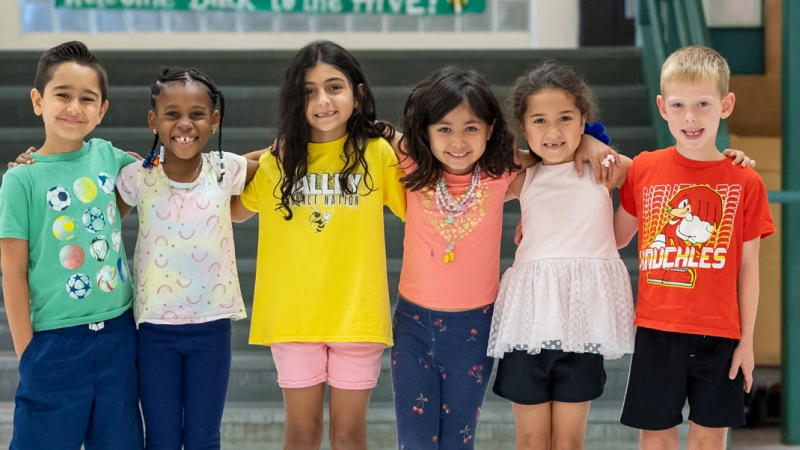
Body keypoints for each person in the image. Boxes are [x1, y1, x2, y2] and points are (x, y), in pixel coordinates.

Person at [388, 65, 616, 449]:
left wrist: (590, 141)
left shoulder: (500, 171)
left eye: (471, 128)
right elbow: (365, 132)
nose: (458, 141)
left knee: (461, 437)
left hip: (475, 326)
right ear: (425, 131)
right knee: (414, 441)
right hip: (413, 324)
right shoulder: (410, 164)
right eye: (444, 128)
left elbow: (551, 159)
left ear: (492, 129)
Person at [229, 40, 406, 450]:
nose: (322, 100)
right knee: (301, 434)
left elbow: (419, 208)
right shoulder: (280, 160)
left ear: (358, 93)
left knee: (349, 436)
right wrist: (267, 152)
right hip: (292, 317)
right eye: (308, 91)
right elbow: (235, 209)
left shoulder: (377, 153)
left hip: (357, 315)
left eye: (334, 86)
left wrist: (396, 137)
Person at [613, 45, 775, 450]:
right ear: (661, 107)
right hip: (656, 330)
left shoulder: (746, 181)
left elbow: (749, 268)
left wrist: (748, 342)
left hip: (721, 333)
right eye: (679, 104)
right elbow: (615, 238)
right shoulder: (643, 169)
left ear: (726, 104)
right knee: (656, 438)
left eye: (703, 103)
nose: (690, 117)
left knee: (709, 439)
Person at [0, 41, 143, 450]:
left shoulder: (107, 156)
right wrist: (28, 352)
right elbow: (12, 272)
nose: (74, 108)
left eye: (87, 99)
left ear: (102, 111)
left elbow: (134, 188)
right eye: (62, 95)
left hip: (118, 336)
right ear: (37, 101)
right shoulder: (20, 180)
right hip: (54, 344)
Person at [485, 61, 635, 450]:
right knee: (532, 440)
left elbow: (650, 178)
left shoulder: (602, 167)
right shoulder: (523, 176)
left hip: (583, 322)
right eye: (539, 121)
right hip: (530, 321)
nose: (553, 131)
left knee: (569, 442)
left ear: (583, 118)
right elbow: (471, 169)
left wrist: (593, 142)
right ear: (523, 126)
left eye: (565, 118)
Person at [115, 67, 257, 449]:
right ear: (153, 120)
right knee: (160, 437)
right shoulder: (136, 177)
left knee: (203, 437)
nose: (184, 124)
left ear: (214, 120)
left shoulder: (226, 169)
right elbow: (99, 216)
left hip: (211, 329)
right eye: (172, 113)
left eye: (197, 113)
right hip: (153, 330)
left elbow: (275, 161)